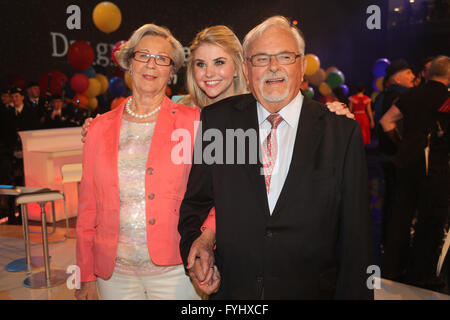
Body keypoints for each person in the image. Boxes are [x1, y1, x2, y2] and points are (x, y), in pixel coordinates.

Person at [178, 16, 373, 299]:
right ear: (246, 69)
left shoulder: (340, 132)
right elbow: (197, 204)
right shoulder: (219, 123)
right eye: (260, 58)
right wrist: (199, 248)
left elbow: (356, 239)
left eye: (284, 56)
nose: (273, 67)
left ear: (302, 65)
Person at [75, 23, 215, 300]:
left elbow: (216, 193)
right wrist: (85, 274)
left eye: (162, 59)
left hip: (177, 270)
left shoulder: (194, 123)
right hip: (114, 275)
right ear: (129, 62)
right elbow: (87, 206)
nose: (151, 65)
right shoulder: (98, 128)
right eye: (143, 55)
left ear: (171, 70)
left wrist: (206, 240)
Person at [380, 56, 449, 289]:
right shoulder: (446, 99)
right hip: (435, 166)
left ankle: (392, 267)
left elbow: (386, 122)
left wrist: (403, 145)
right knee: (430, 219)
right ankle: (422, 273)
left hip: (407, 161)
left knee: (401, 214)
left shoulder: (411, 95)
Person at [373, 59, 415, 248]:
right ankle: (397, 244)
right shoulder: (403, 96)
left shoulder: (382, 96)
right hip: (397, 157)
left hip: (385, 156)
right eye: (408, 73)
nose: (412, 76)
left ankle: (387, 240)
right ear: (397, 78)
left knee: (390, 198)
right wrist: (403, 148)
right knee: (401, 200)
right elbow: (388, 124)